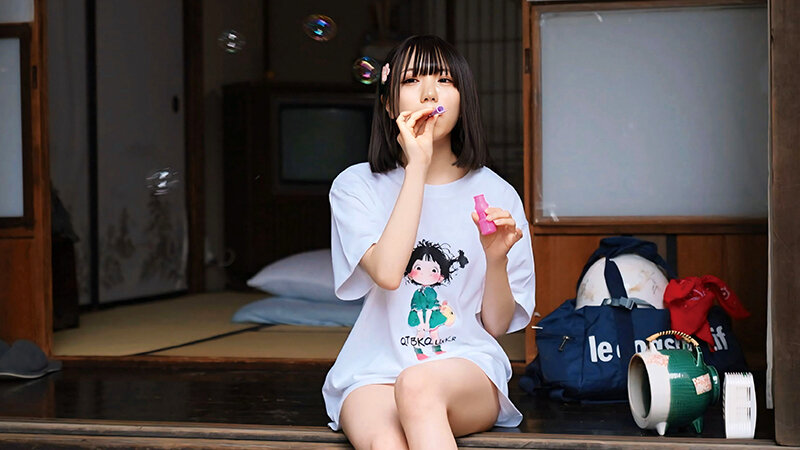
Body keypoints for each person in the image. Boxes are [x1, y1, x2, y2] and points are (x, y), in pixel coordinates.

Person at [322, 34, 535, 449]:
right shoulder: (355, 187)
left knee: (418, 385)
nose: (429, 93)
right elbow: (388, 273)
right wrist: (416, 166)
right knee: (386, 441)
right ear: (388, 104)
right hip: (373, 373)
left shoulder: (498, 194)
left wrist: (496, 260)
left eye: (445, 80)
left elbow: (496, 325)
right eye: (411, 80)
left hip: (466, 369)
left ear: (463, 99)